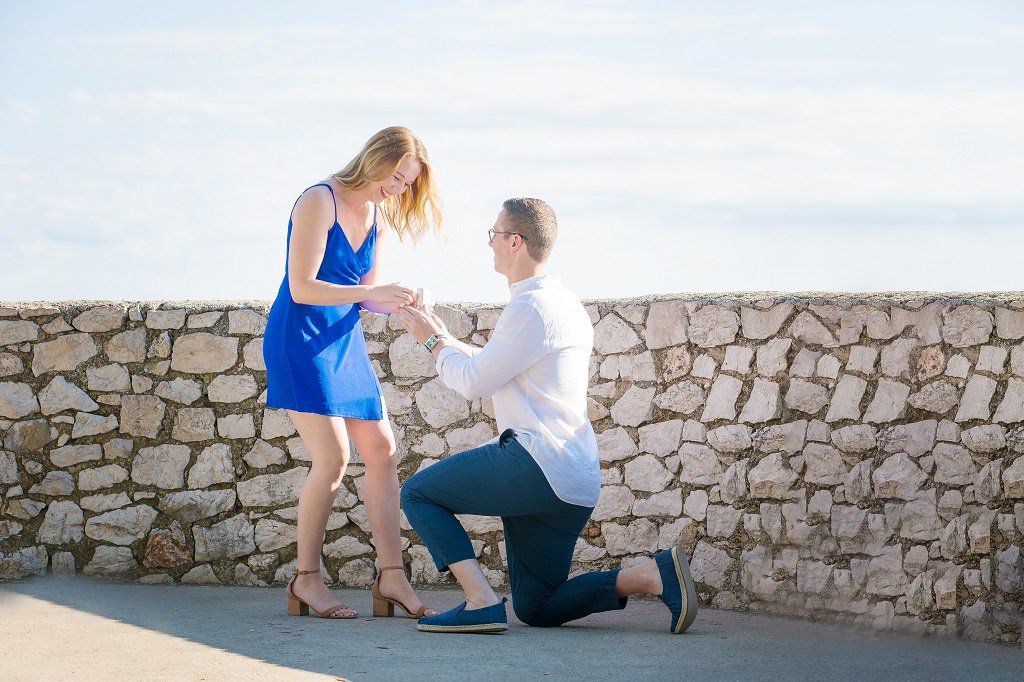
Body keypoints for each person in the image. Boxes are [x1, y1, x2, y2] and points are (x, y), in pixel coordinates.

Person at [398, 198, 697, 634]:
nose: (489, 244)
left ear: (514, 241)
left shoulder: (529, 308)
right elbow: (495, 365)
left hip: (536, 464)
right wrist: (441, 336)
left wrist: (430, 344)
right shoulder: (559, 301)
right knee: (537, 606)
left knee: (419, 494)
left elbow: (475, 383)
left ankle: (479, 601)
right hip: (571, 478)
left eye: (493, 235)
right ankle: (651, 576)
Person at [263, 126, 441, 620]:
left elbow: (366, 295)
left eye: (407, 184)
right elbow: (302, 288)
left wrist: (402, 297)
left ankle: (392, 579)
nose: (398, 189)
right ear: (375, 158)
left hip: (343, 340)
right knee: (335, 458)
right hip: (300, 339)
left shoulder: (379, 218)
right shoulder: (319, 200)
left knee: (383, 451)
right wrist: (373, 293)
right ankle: (306, 580)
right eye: (396, 176)